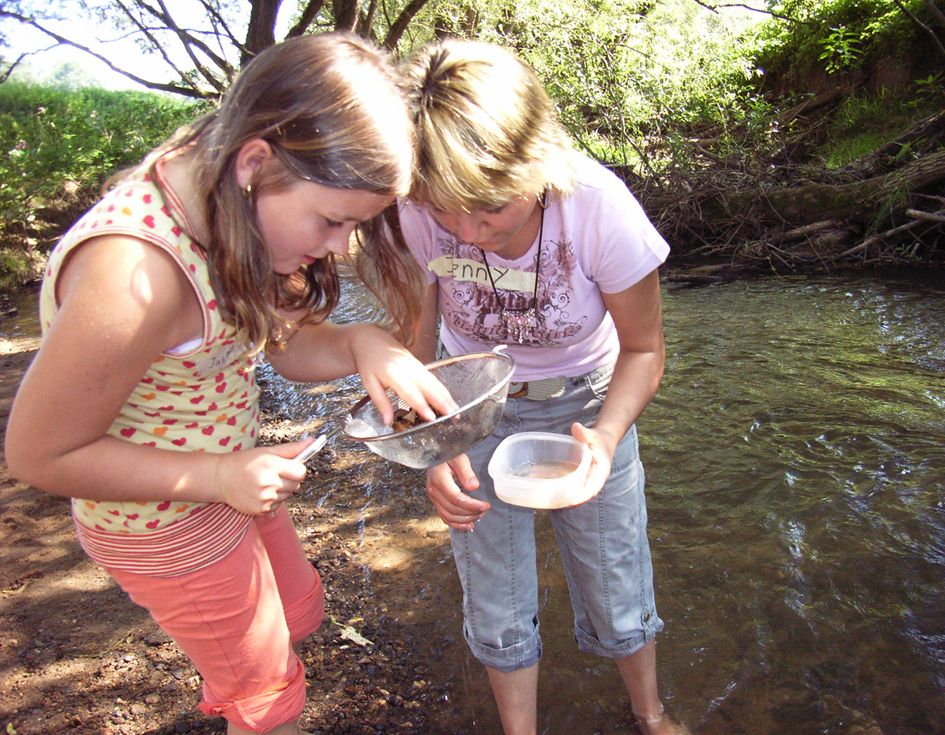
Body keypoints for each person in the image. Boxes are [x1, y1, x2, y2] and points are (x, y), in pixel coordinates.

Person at [4, 32, 455, 735]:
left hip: (226, 480)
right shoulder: (137, 276)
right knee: (268, 696)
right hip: (161, 521)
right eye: (334, 221)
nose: (340, 247)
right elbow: (38, 454)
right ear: (255, 163)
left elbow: (285, 345)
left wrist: (364, 341)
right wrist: (217, 474)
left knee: (299, 611)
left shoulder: (236, 206)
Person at [387, 39, 690, 735]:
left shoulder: (596, 207)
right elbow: (415, 344)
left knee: (615, 577)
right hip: (469, 409)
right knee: (493, 592)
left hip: (588, 402)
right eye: (444, 212)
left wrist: (605, 439)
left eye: (487, 209)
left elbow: (644, 349)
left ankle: (649, 713)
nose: (467, 232)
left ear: (533, 163)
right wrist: (434, 445)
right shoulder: (413, 211)